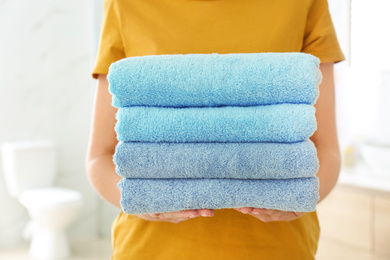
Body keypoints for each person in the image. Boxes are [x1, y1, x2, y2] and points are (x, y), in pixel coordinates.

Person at [86, 0, 345, 259]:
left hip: (279, 249)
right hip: (152, 249)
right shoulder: (125, 4)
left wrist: (297, 197)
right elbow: (100, 156)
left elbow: (327, 149)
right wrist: (143, 199)